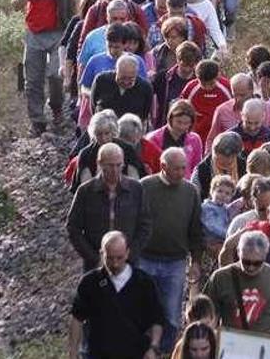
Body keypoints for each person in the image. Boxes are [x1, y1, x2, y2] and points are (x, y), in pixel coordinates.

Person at [139, 148, 205, 352]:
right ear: (163, 167)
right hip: (145, 258)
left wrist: (196, 261)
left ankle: (165, 351)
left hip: (175, 261)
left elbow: (195, 228)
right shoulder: (145, 187)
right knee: (142, 309)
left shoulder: (190, 191)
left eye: (184, 168)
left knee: (171, 312)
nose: (181, 173)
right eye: (176, 169)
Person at [12, 0, 79, 136]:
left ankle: (57, 107)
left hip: (59, 32)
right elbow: (16, 5)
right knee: (32, 80)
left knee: (56, 75)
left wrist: (77, 24)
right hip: (34, 34)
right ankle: (37, 120)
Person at [68, 231, 164, 359]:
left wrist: (153, 347)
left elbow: (157, 319)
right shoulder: (89, 282)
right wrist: (73, 352)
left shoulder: (143, 282)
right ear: (102, 254)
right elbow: (77, 318)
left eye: (119, 258)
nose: (115, 264)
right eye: (110, 258)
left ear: (127, 253)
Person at [66, 143, 152, 271]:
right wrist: (93, 257)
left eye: (119, 165)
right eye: (110, 165)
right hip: (95, 264)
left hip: (129, 264)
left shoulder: (136, 189)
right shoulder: (86, 191)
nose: (115, 170)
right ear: (100, 164)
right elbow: (73, 227)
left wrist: (130, 254)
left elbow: (145, 225)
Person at [202, 230, 270, 336]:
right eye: (246, 262)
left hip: (264, 345)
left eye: (257, 263)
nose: (251, 268)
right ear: (238, 252)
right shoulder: (220, 277)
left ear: (265, 255)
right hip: (230, 344)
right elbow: (209, 317)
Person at [210, 72, 270, 139]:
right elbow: (212, 140)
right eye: (235, 95)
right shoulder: (222, 111)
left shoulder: (268, 109)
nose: (238, 99)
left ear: (251, 90)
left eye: (242, 95)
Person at [145, 99, 204, 178]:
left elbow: (196, 169)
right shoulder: (153, 138)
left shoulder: (195, 140)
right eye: (178, 122)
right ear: (170, 118)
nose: (182, 127)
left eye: (186, 123)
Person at [91, 54, 154, 124]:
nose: (126, 82)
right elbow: (93, 105)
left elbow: (144, 114)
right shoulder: (101, 80)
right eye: (122, 78)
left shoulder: (145, 87)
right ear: (116, 71)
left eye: (130, 78)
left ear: (136, 74)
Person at [181, 59, 232, 144]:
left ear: (218, 76)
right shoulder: (191, 88)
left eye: (211, 84)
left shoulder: (227, 87)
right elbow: (181, 109)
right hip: (197, 137)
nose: (208, 88)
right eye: (204, 84)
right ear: (197, 77)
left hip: (221, 137)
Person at [153, 39, 202, 123]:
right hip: (165, 124)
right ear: (178, 60)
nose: (187, 69)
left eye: (191, 65)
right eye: (184, 65)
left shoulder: (199, 81)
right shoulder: (163, 77)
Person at [192, 131, 245, 199]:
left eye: (230, 157)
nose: (226, 161)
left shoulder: (243, 165)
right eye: (221, 158)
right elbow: (194, 197)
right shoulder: (202, 170)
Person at [201, 173, 235, 246]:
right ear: (212, 191)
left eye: (227, 193)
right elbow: (211, 226)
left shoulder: (225, 208)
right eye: (219, 191)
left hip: (223, 240)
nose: (223, 195)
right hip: (210, 242)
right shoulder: (207, 207)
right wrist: (228, 234)